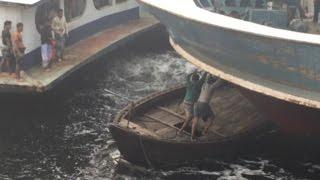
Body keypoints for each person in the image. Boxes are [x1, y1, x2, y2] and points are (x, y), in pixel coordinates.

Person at [191, 75, 224, 140]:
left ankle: (192, 136)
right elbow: (221, 81)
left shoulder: (204, 85)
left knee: (195, 120)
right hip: (204, 104)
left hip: (197, 104)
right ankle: (204, 132)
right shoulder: (212, 87)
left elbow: (207, 78)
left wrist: (209, 73)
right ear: (212, 81)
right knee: (212, 117)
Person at [178, 71, 207, 135]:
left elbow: (188, 76)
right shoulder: (199, 84)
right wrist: (206, 71)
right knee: (190, 117)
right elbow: (204, 77)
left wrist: (194, 72)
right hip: (191, 105)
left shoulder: (189, 83)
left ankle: (187, 115)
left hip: (185, 102)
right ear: (198, 79)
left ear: (192, 79)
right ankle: (180, 131)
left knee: (194, 114)